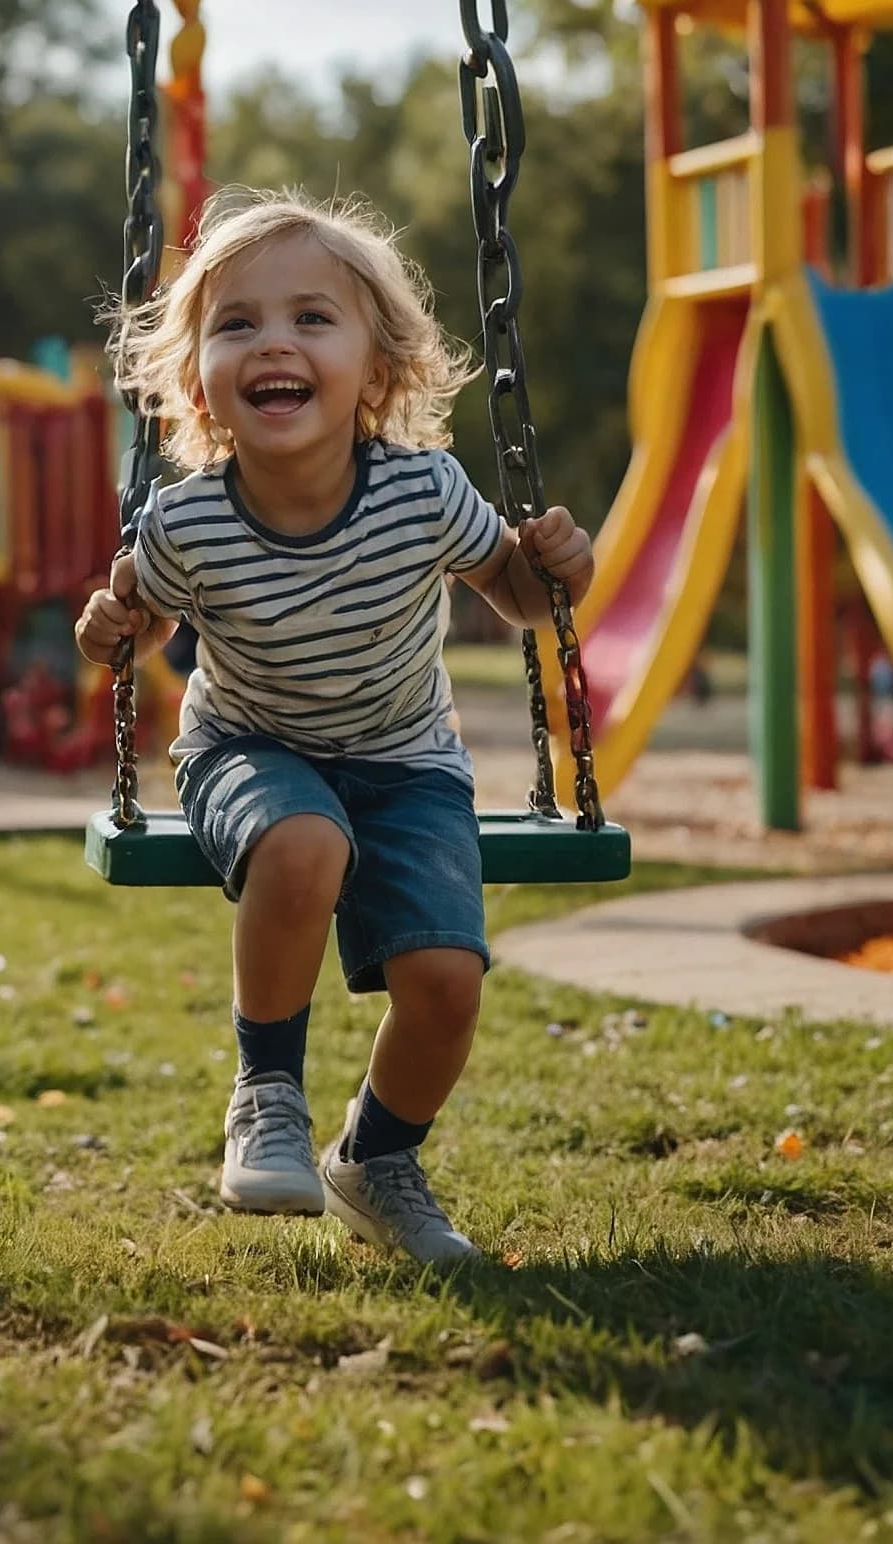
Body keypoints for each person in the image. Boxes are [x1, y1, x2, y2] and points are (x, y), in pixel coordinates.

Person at [75, 191, 595, 1265]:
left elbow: (522, 599)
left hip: (407, 763)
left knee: (447, 985)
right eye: (238, 324)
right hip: (247, 753)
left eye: (314, 318)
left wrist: (554, 571)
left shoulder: (425, 494)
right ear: (200, 381)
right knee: (305, 842)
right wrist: (110, 624)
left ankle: (376, 1160)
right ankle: (266, 1091)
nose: (276, 340)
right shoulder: (187, 520)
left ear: (378, 367)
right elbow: (138, 618)